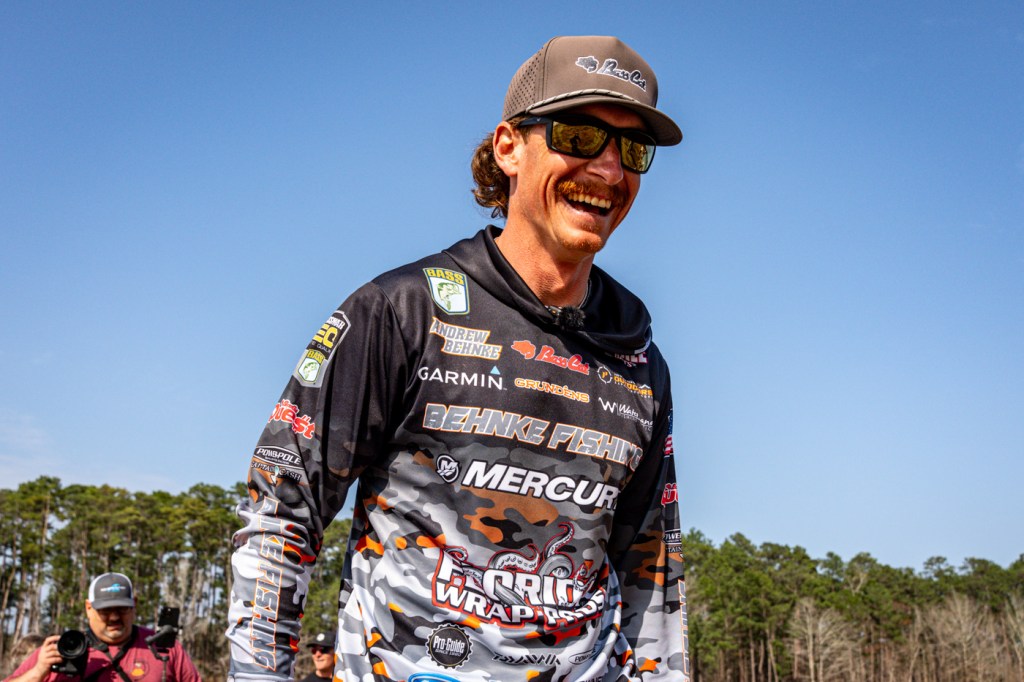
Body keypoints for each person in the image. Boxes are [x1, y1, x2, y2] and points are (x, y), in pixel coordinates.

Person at [227, 35, 688, 681]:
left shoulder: (638, 359)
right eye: (580, 137)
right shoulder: (401, 311)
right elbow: (281, 511)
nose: (610, 171)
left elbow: (650, 567)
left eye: (633, 150)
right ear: (508, 148)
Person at [4, 573, 200, 682]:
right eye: (105, 610)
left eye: (122, 608)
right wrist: (38, 672)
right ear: (88, 608)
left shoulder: (163, 647)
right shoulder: (64, 650)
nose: (114, 617)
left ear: (134, 605)